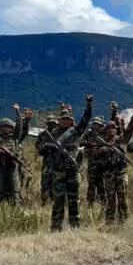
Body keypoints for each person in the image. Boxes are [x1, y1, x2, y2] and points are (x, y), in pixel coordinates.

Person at [45, 96, 93, 231]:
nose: (65, 121)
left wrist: (89, 105)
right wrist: (49, 147)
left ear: (71, 121)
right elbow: (45, 149)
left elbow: (86, 120)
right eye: (63, 119)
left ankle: (75, 226)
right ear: (59, 121)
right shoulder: (53, 133)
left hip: (72, 171)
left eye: (67, 119)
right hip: (58, 170)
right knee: (58, 201)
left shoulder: (75, 131)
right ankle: (55, 227)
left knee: (74, 200)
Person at [0, 104, 33, 205]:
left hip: (12, 168)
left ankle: (15, 214)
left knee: (14, 192)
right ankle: (0, 214)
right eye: (3, 126)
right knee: (0, 193)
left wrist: (17, 111)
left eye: (8, 126)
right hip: (0, 169)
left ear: (12, 128)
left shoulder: (15, 138)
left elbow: (20, 125)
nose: (5, 128)